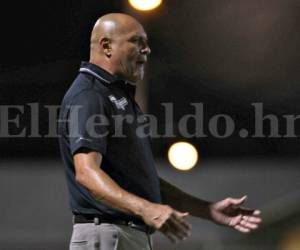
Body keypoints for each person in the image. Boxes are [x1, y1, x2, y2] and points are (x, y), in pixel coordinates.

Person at [58, 13, 262, 250]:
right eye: (137, 41)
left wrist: (207, 210)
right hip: (106, 234)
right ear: (107, 46)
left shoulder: (115, 95)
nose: (147, 50)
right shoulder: (90, 95)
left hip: (123, 233)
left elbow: (145, 183)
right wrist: (146, 208)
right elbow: (86, 172)